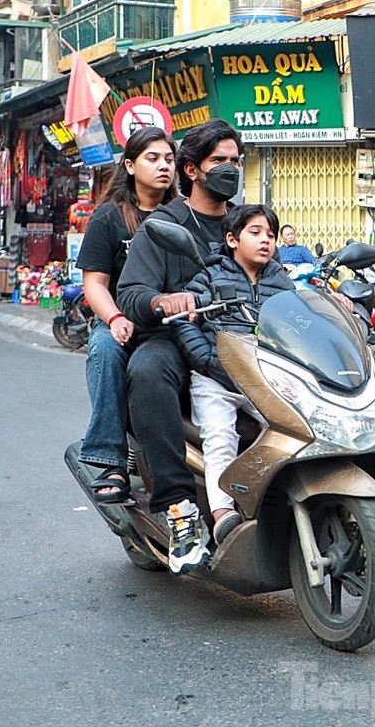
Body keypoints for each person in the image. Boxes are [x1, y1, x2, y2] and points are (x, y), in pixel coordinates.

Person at [116, 118, 245, 575]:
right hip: (171, 338)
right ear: (191, 169)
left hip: (237, 340)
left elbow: (278, 278)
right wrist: (161, 299)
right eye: (219, 161)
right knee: (148, 371)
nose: (229, 169)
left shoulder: (246, 223)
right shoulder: (164, 226)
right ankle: (179, 511)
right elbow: (129, 293)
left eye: (235, 161)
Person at [172, 204, 295, 561]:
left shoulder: (281, 280)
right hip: (217, 378)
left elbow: (297, 320)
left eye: (270, 235)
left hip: (265, 378)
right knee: (220, 436)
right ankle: (222, 513)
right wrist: (208, 360)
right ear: (232, 239)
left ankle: (273, 502)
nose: (265, 241)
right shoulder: (210, 275)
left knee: (291, 432)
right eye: (255, 233)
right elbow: (184, 319)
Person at [74, 127, 179, 503]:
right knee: (104, 349)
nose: (163, 166)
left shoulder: (181, 215)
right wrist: (116, 319)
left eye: (169, 158)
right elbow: (95, 283)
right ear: (131, 166)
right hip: (120, 319)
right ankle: (110, 459)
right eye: (153, 158)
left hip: (173, 322)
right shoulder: (109, 217)